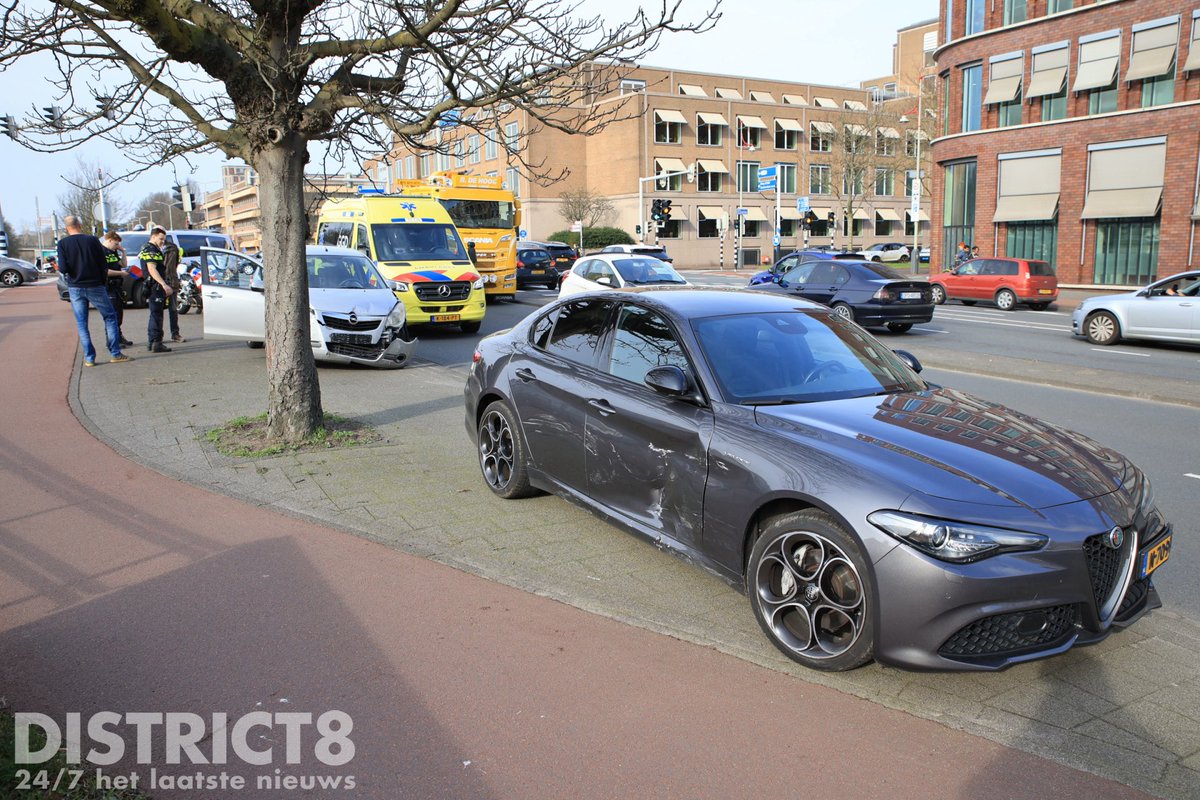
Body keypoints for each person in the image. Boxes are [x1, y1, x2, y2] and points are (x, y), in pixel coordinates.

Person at [57, 215, 129, 366]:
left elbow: (63, 268)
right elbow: (103, 264)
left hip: (75, 287)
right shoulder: (92, 240)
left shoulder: (63, 243)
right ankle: (115, 353)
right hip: (95, 285)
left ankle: (90, 358)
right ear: (80, 225)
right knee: (110, 317)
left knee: (82, 323)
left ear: (66, 228)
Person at [139, 227, 174, 353]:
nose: (162, 242)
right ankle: (156, 342)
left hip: (152, 285)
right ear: (153, 236)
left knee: (155, 314)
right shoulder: (151, 250)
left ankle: (152, 341)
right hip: (156, 286)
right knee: (157, 315)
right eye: (160, 239)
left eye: (164, 240)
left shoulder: (147, 248)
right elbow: (152, 269)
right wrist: (164, 284)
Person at [101, 231, 133, 347]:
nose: (117, 246)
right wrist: (121, 273)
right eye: (116, 244)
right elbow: (105, 271)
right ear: (109, 240)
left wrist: (123, 252)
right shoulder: (101, 252)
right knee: (112, 315)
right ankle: (111, 340)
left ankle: (118, 337)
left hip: (117, 286)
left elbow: (123, 264)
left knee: (119, 313)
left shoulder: (113, 252)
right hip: (108, 286)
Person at [161, 235, 186, 343]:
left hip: (168, 281)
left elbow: (171, 267)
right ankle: (159, 337)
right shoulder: (152, 248)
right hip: (165, 282)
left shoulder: (171, 249)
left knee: (171, 309)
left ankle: (174, 334)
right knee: (161, 311)